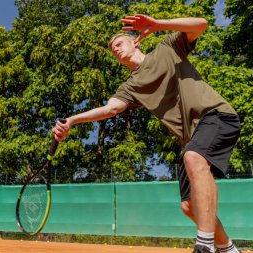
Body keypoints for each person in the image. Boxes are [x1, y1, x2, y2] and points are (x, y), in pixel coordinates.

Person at [52, 15, 241, 253]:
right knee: (189, 206)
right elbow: (111, 108)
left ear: (136, 42)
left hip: (216, 115)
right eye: (112, 50)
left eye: (119, 43)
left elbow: (201, 24)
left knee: (193, 157)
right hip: (191, 139)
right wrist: (71, 120)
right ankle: (228, 249)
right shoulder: (131, 86)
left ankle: (204, 246)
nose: (115, 49)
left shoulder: (166, 48)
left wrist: (159, 24)